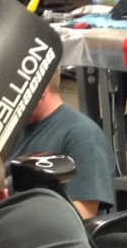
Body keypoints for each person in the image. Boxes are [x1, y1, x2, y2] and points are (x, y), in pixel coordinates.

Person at [11, 73, 117, 218]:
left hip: (46, 237)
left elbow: (84, 212)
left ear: (40, 89)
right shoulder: (13, 132)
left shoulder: (82, 135)